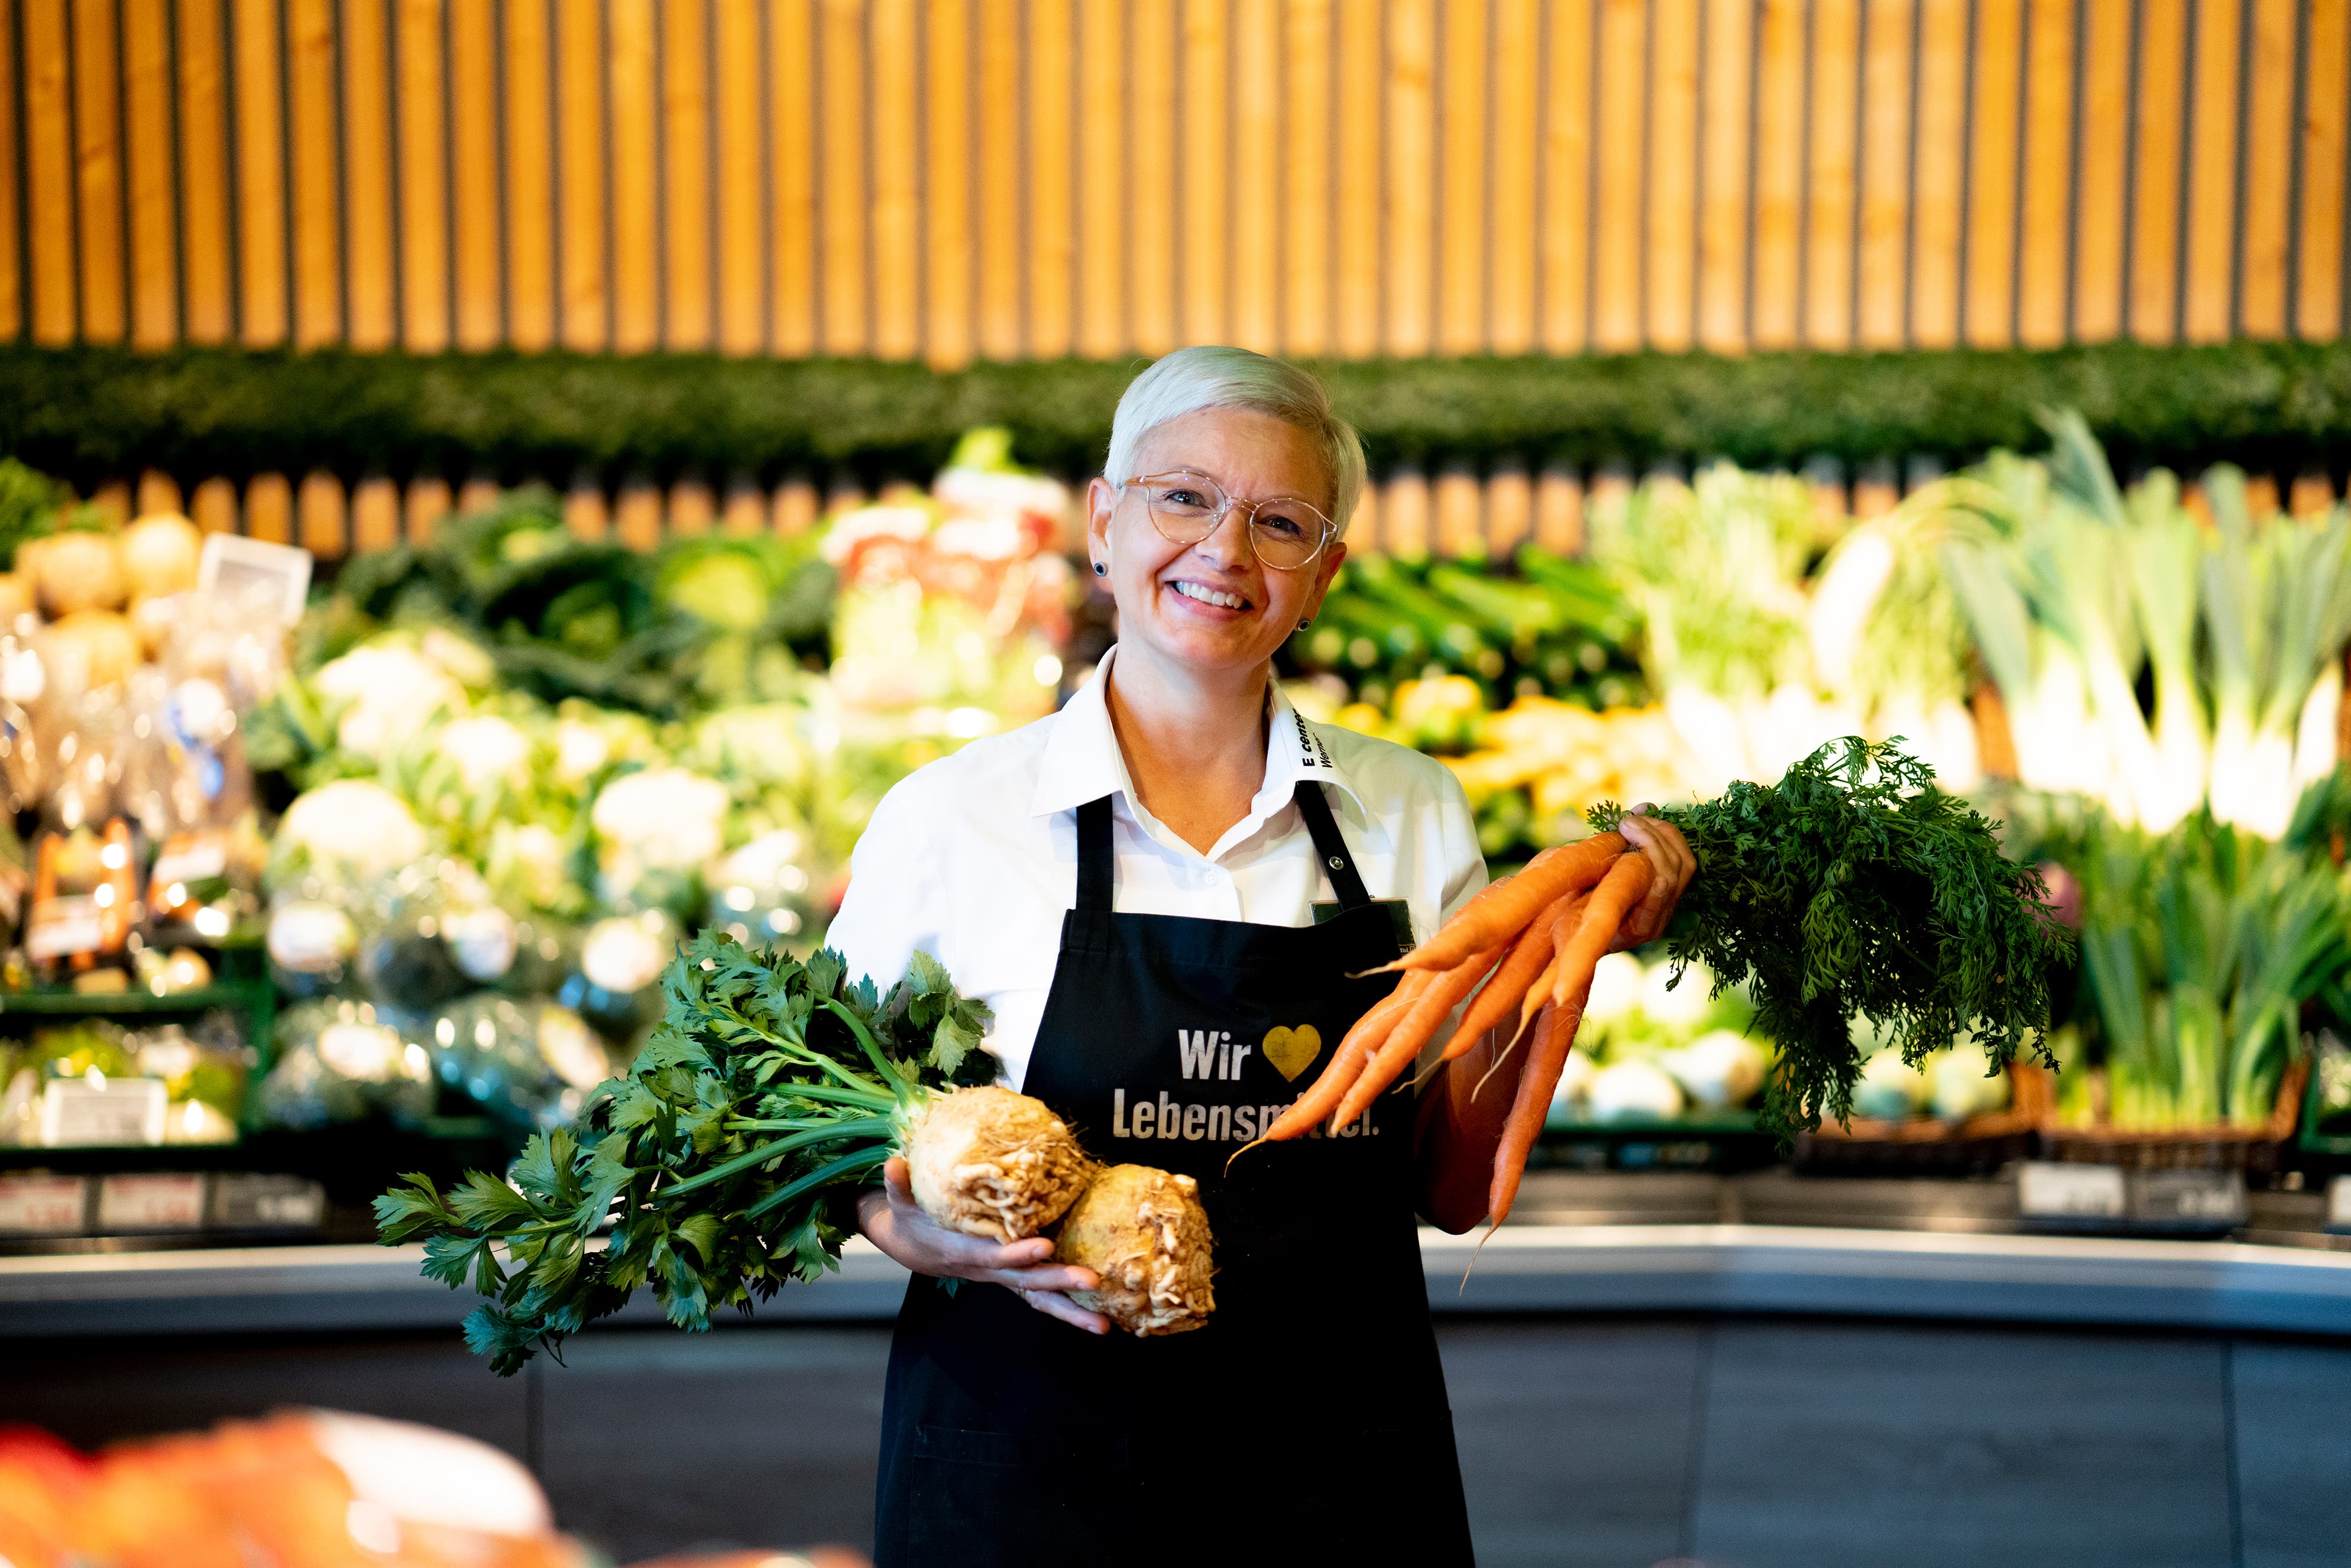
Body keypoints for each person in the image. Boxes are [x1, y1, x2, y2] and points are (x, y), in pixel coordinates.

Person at [827, 346, 1694, 1566]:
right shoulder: (950, 819)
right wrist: (905, 1227)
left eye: (1277, 523)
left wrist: (1565, 946)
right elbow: (821, 1144)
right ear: (1103, 521)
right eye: (1182, 497)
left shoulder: (1409, 813)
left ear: (1322, 575)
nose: (1223, 552)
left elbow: (1448, 1189)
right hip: (1025, 1483)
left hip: (1333, 1486)